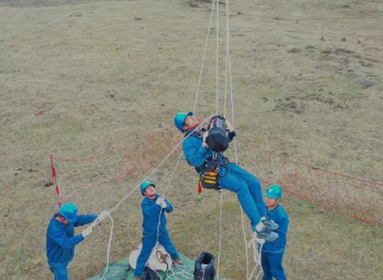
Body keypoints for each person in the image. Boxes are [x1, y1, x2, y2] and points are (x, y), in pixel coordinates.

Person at [174, 112, 278, 241]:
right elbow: (195, 161)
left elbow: (220, 145)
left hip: (223, 164)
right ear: (184, 127)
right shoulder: (188, 142)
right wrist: (203, 145)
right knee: (241, 187)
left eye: (191, 116)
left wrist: (230, 132)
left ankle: (263, 218)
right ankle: (257, 227)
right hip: (211, 171)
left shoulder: (203, 131)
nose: (193, 117)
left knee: (254, 182)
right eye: (188, 118)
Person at [46, 202, 109, 280]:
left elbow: (79, 219)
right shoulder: (54, 229)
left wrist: (97, 217)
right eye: (69, 220)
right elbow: (66, 243)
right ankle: (53, 267)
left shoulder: (66, 219)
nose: (71, 221)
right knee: (62, 276)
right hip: (58, 260)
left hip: (65, 255)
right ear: (62, 218)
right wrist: (82, 235)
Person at [134, 181, 183, 280]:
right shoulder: (144, 203)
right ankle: (137, 274)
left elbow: (170, 209)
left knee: (168, 244)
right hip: (150, 233)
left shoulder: (160, 198)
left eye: (152, 187)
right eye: (148, 188)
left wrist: (165, 205)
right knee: (145, 252)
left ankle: (176, 258)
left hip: (161, 230)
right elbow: (149, 213)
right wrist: (157, 204)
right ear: (144, 193)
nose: (152, 189)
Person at [261, 185, 289, 280]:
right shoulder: (263, 208)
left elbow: (280, 236)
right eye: (267, 196)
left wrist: (265, 233)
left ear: (277, 199)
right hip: (263, 247)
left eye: (271, 198)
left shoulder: (282, 216)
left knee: (277, 273)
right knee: (266, 271)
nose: (268, 199)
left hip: (274, 250)